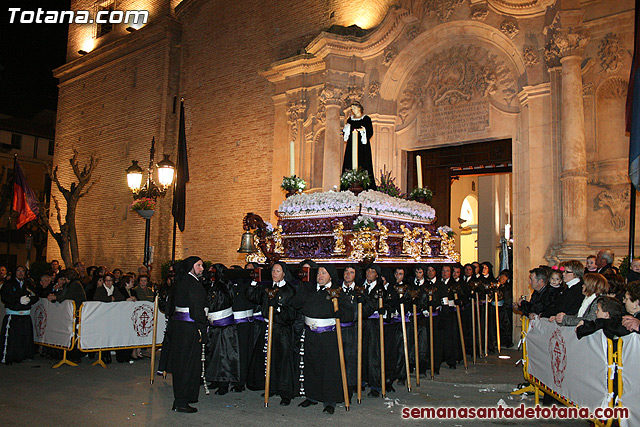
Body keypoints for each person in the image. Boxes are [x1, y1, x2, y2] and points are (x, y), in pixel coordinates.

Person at [292, 265, 353, 414]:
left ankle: (329, 400)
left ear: (330, 276)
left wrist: (341, 314)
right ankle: (312, 396)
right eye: (318, 273)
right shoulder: (310, 290)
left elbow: (350, 314)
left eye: (323, 273)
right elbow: (295, 304)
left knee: (329, 368)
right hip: (310, 334)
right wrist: (303, 288)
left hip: (328, 335)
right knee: (311, 365)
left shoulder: (337, 293)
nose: (320, 276)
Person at [246, 262, 297, 406]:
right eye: (273, 270)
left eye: (278, 271)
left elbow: (292, 313)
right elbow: (252, 296)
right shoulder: (267, 288)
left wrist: (278, 309)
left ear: (284, 274)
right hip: (267, 326)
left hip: (281, 329)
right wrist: (254, 281)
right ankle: (272, 386)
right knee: (269, 358)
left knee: (283, 360)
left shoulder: (289, 290)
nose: (275, 273)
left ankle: (285, 392)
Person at [166, 256, 207, 413]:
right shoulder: (192, 283)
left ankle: (183, 397)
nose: (202, 268)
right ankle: (181, 401)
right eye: (199, 265)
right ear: (191, 267)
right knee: (186, 363)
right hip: (189, 328)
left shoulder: (181, 281)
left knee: (182, 362)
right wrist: (202, 327)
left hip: (179, 327)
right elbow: (197, 310)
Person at [204, 264, 240, 395]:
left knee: (224, 356)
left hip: (224, 326)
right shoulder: (209, 285)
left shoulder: (225, 285)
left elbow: (229, 298)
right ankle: (214, 378)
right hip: (213, 325)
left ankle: (224, 383)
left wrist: (219, 283)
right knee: (212, 354)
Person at [0, 266, 39, 364]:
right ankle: (8, 357)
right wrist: (18, 300)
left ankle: (21, 356)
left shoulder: (28, 284)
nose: (21, 273)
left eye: (23, 271)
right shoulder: (8, 284)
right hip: (13, 315)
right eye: (18, 271)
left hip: (25, 315)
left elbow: (36, 295)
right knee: (12, 338)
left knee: (23, 338)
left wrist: (30, 300)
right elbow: (4, 297)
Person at [341, 101, 377, 190]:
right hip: (351, 146)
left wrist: (363, 131)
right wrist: (346, 129)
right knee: (349, 163)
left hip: (362, 146)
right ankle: (348, 185)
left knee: (363, 163)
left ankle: (365, 186)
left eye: (354, 108)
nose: (353, 110)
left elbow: (370, 132)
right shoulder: (350, 119)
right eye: (352, 109)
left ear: (359, 108)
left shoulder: (366, 119)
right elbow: (346, 133)